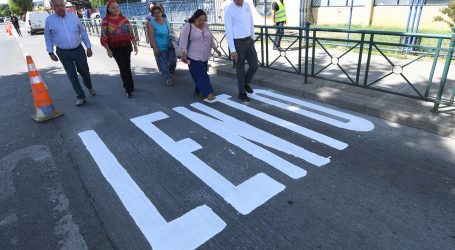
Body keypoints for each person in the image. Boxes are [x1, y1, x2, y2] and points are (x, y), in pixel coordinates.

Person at [45, 0, 96, 106]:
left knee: (84, 71)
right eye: (57, 6)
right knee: (72, 75)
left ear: (65, 5)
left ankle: (89, 86)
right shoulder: (49, 20)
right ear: (52, 7)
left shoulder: (73, 17)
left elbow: (83, 32)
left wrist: (88, 47)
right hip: (63, 52)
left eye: (62, 5)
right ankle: (80, 96)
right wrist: (50, 52)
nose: (60, 7)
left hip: (78, 49)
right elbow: (48, 37)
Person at [179, 9, 221, 100]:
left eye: (204, 20)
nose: (202, 22)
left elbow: (210, 38)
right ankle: (208, 92)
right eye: (200, 20)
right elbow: (183, 41)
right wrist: (184, 54)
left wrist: (215, 49)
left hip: (205, 56)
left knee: (201, 73)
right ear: (195, 18)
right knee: (202, 75)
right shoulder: (188, 26)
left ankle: (198, 90)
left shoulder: (206, 26)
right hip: (193, 56)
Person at [100, 0, 138, 98]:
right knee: (122, 67)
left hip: (126, 45)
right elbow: (104, 37)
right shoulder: (105, 20)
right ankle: (128, 89)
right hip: (115, 47)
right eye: (113, 7)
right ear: (109, 9)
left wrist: (134, 44)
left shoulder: (124, 19)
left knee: (127, 66)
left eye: (117, 7)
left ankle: (129, 85)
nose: (116, 9)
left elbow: (131, 33)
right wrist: (108, 49)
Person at [224, 0, 258, 102]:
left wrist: (252, 38)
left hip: (249, 40)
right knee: (240, 69)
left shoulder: (247, 5)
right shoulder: (229, 10)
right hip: (237, 42)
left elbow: (251, 22)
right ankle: (241, 92)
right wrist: (232, 50)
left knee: (254, 65)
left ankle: (245, 83)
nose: (240, 1)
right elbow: (228, 31)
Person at [147, 5, 177, 86]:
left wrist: (175, 40)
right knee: (163, 63)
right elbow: (152, 36)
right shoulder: (152, 23)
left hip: (170, 44)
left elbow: (171, 30)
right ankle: (167, 78)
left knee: (173, 62)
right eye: (155, 13)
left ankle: (170, 73)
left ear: (161, 12)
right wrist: (155, 48)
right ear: (152, 14)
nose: (157, 14)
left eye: (158, 12)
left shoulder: (165, 19)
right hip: (160, 46)